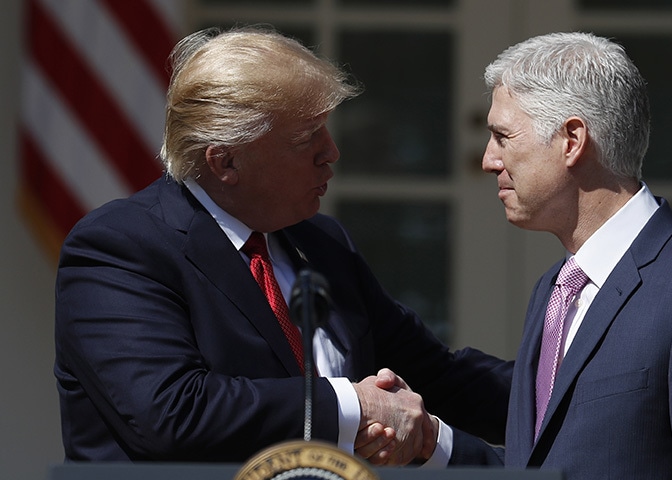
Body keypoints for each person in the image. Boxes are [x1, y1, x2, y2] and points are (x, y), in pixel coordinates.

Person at [54, 26, 511, 465]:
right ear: (226, 160)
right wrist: (353, 404)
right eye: (306, 138)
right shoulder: (119, 247)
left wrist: (567, 385)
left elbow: (442, 379)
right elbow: (172, 412)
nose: (330, 151)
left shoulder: (322, 243)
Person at [479, 32, 672, 477]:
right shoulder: (554, 289)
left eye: (502, 136)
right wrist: (438, 443)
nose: (489, 160)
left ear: (571, 139)